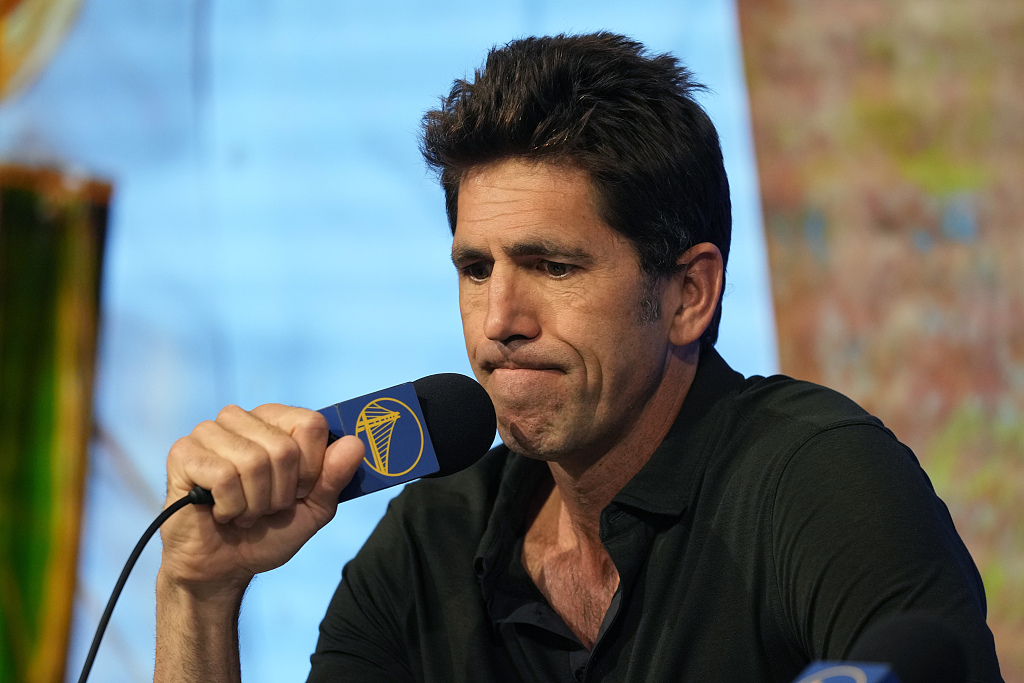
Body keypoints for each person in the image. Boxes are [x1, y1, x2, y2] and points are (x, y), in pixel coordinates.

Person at [154, 33, 1003, 682]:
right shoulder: (429, 541)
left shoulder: (818, 481)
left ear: (689, 294)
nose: (499, 321)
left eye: (553, 266)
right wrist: (199, 593)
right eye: (475, 269)